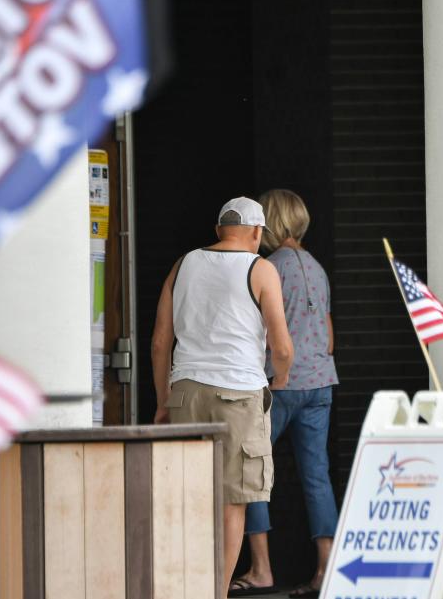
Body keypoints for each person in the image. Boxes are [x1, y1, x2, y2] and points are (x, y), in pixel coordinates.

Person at [152, 196, 294, 599]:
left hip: (186, 393)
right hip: (239, 395)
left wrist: (165, 399)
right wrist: (279, 379)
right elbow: (282, 347)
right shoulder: (260, 269)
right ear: (256, 233)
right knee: (233, 500)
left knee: (189, 495)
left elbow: (161, 340)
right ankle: (215, 593)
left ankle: (184, 587)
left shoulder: (183, 265)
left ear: (218, 230)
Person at [229, 190, 339, 599]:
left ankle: (261, 569)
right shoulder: (317, 268)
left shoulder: (266, 268)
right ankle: (326, 567)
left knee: (251, 470)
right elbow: (328, 338)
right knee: (317, 475)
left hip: (281, 384)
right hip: (321, 383)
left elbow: (263, 336)